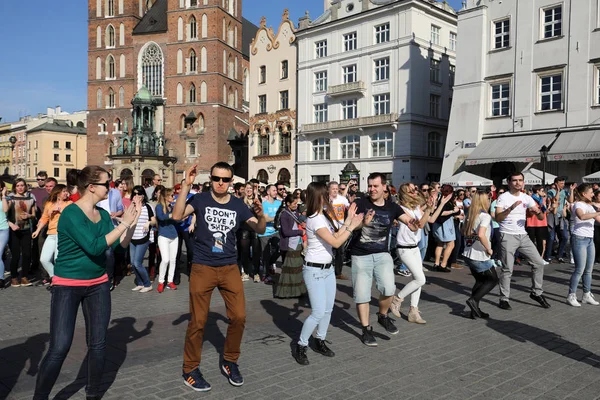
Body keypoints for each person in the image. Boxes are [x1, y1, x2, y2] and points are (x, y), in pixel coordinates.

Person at [33, 166, 141, 400]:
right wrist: (123, 223)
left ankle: (93, 394)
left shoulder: (102, 214)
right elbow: (94, 246)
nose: (110, 187)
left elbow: (119, 245)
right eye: (107, 183)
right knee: (59, 347)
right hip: (67, 286)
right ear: (91, 187)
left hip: (98, 285)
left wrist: (132, 222)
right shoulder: (71, 214)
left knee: (98, 344)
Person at [173, 162, 266, 392]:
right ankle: (190, 369)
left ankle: (230, 361)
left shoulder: (238, 205)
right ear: (211, 179)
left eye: (225, 180)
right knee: (198, 322)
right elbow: (176, 216)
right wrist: (186, 186)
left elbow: (261, 229)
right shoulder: (201, 199)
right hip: (203, 267)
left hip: (229, 268)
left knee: (239, 317)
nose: (221, 183)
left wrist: (261, 215)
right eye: (216, 179)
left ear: (231, 181)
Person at [293, 182, 366, 365]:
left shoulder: (324, 215)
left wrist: (349, 220)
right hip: (314, 269)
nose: (331, 197)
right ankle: (301, 345)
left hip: (327, 269)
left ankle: (320, 340)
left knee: (328, 309)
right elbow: (336, 243)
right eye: (327, 194)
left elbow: (338, 233)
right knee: (318, 312)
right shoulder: (315, 219)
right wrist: (351, 226)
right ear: (319, 197)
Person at [349, 173, 418, 347]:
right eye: (370, 185)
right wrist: (363, 223)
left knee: (389, 288)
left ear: (384, 187)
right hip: (360, 255)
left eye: (375, 186)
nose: (372, 189)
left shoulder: (392, 207)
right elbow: (350, 226)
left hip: (382, 254)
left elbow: (412, 224)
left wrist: (421, 218)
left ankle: (382, 315)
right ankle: (366, 330)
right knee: (362, 294)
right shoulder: (359, 203)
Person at [389, 184, 450, 324]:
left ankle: (413, 311)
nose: (416, 191)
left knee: (418, 280)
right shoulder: (401, 209)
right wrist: (428, 209)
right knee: (420, 279)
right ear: (406, 193)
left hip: (414, 247)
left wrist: (441, 203)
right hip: (404, 248)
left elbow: (432, 219)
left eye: (415, 189)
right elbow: (420, 225)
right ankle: (397, 299)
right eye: (412, 190)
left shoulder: (415, 207)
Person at [495, 172, 549, 310]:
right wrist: (511, 208)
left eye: (520, 180)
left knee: (538, 263)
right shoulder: (503, 197)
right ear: (509, 182)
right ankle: (504, 298)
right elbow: (498, 218)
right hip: (507, 235)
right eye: (515, 180)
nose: (518, 183)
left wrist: (537, 212)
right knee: (508, 269)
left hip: (523, 236)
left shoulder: (527, 197)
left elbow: (542, 217)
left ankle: (536, 292)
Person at [462, 190, 499, 319]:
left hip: (468, 252)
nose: (489, 202)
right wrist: (488, 248)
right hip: (479, 254)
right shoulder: (485, 216)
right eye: (488, 199)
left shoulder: (470, 214)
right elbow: (481, 234)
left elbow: (464, 231)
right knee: (493, 280)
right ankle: (473, 300)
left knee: (480, 280)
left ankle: (474, 310)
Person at [566, 184, 600, 307]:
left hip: (590, 240)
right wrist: (597, 212)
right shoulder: (578, 205)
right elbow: (582, 216)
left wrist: (596, 212)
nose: (593, 194)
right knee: (579, 269)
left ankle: (586, 294)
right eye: (591, 192)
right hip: (579, 239)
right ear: (584, 194)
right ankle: (571, 295)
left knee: (588, 270)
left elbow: (598, 219)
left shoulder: (590, 206)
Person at [32, 185, 72, 286]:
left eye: (66, 192)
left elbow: (72, 218)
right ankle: (54, 277)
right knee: (44, 259)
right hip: (51, 234)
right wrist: (37, 230)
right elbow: (44, 218)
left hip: (63, 234)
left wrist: (61, 211)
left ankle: (57, 282)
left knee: (57, 259)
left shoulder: (70, 204)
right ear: (58, 193)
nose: (66, 193)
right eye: (64, 191)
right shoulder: (49, 204)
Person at [4, 178, 36, 287]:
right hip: (14, 230)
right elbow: (4, 215)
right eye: (18, 186)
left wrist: (29, 216)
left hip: (26, 229)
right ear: (15, 187)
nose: (20, 187)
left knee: (27, 254)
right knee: (16, 255)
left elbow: (34, 214)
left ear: (25, 186)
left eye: (22, 185)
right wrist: (11, 224)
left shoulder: (31, 197)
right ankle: (13, 277)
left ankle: (24, 277)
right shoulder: (10, 197)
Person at [275, 194, 307, 299]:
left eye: (297, 203)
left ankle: (297, 291)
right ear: (288, 203)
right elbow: (286, 232)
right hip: (290, 245)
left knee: (297, 269)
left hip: (297, 243)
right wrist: (300, 231)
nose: (296, 205)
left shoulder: (295, 213)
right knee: (289, 270)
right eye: (294, 204)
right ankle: (286, 292)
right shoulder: (285, 214)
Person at [129, 185, 156, 293]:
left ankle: (147, 284)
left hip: (143, 237)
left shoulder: (148, 207)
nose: (137, 196)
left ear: (143, 195)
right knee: (132, 262)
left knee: (137, 262)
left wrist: (148, 222)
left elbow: (154, 221)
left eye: (139, 194)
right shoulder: (131, 207)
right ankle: (140, 283)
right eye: (134, 194)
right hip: (132, 237)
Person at [155, 188, 179, 293]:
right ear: (166, 197)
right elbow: (161, 217)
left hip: (174, 236)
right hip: (163, 236)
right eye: (171, 196)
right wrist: (172, 215)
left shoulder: (173, 207)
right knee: (165, 259)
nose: (173, 197)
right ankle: (161, 281)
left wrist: (180, 217)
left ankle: (170, 281)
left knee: (173, 260)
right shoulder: (159, 206)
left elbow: (178, 219)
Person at [546, 177, 575, 262]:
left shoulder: (565, 191)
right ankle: (547, 256)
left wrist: (571, 190)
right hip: (552, 216)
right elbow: (555, 200)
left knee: (565, 237)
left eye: (563, 183)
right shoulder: (551, 191)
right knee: (551, 238)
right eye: (561, 183)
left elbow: (571, 200)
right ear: (556, 183)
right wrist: (558, 191)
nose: (563, 185)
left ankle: (559, 255)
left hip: (561, 217)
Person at [432, 185, 460, 273]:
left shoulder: (440, 199)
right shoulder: (445, 201)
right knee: (451, 244)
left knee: (440, 243)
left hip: (438, 223)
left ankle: (436, 263)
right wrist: (453, 211)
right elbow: (441, 213)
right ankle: (443, 264)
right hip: (445, 224)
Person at [258, 184, 282, 284]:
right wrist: (277, 218)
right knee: (266, 254)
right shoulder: (264, 204)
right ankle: (265, 275)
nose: (276, 192)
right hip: (265, 232)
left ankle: (271, 263)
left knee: (279, 249)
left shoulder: (279, 203)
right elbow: (266, 218)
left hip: (276, 231)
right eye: (273, 190)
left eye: (276, 190)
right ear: (268, 192)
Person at [328, 181, 349, 279]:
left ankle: (338, 272)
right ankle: (327, 270)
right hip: (328, 229)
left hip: (340, 228)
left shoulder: (342, 199)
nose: (335, 190)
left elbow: (349, 207)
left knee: (340, 251)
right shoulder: (325, 200)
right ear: (329, 189)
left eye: (337, 188)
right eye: (333, 189)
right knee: (328, 250)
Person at [0, 183, 10, 288]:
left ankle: (1, 279)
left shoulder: (6, 198)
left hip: (3, 229)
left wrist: (3, 195)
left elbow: (5, 210)